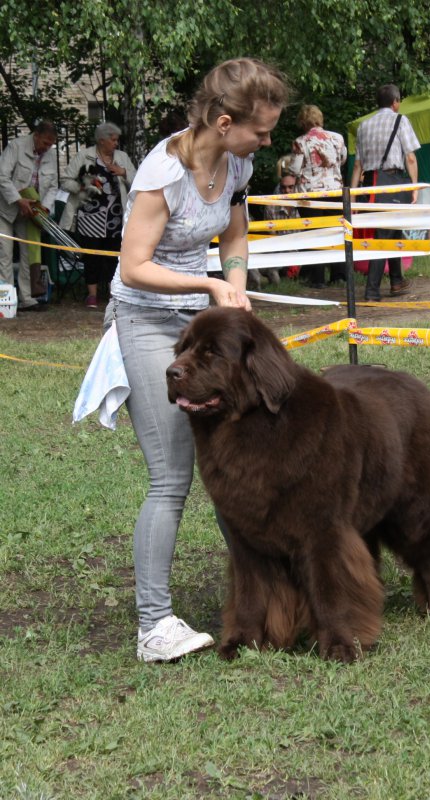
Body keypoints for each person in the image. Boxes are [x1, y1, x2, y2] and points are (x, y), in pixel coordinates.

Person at [103, 57, 289, 662]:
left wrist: (234, 280)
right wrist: (210, 288)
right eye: (260, 131)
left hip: (201, 317)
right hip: (145, 318)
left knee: (234, 464)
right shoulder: (161, 173)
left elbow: (233, 237)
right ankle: (153, 627)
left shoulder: (238, 161)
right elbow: (133, 266)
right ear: (224, 119)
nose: (267, 141)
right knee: (172, 478)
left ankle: (262, 599)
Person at [350, 84, 420, 302]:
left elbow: (357, 165)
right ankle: (371, 291)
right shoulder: (401, 121)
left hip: (370, 184)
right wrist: (414, 186)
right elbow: (410, 157)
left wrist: (352, 195)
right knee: (384, 235)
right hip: (392, 182)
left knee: (392, 231)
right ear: (396, 101)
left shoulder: (363, 126)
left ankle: (397, 281)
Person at [60, 122, 136, 309]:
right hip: (89, 217)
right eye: (113, 140)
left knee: (113, 255)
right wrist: (82, 186)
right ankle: (92, 296)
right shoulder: (84, 156)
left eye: (117, 140)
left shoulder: (122, 157)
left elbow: (138, 180)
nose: (116, 144)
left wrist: (123, 172)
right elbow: (65, 180)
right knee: (91, 256)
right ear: (102, 141)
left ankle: (113, 293)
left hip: (115, 216)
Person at [0, 120, 58, 312]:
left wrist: (46, 209)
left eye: (51, 144)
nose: (47, 148)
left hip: (31, 210)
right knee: (5, 253)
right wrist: (18, 200)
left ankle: (27, 299)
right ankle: (7, 300)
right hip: (6, 209)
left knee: (29, 252)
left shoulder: (50, 155)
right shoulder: (16, 147)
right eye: (45, 143)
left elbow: (52, 187)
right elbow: (2, 177)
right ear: (36, 136)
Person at [290, 104, 346, 287]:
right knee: (335, 233)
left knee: (314, 234)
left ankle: (317, 279)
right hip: (335, 191)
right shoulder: (337, 138)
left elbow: (295, 169)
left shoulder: (300, 142)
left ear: (302, 122)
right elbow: (342, 160)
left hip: (310, 195)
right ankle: (339, 276)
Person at [264, 172, 301, 280]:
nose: (287, 191)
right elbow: (273, 237)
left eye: (291, 187)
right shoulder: (270, 208)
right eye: (283, 187)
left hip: (300, 248)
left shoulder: (303, 205)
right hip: (279, 249)